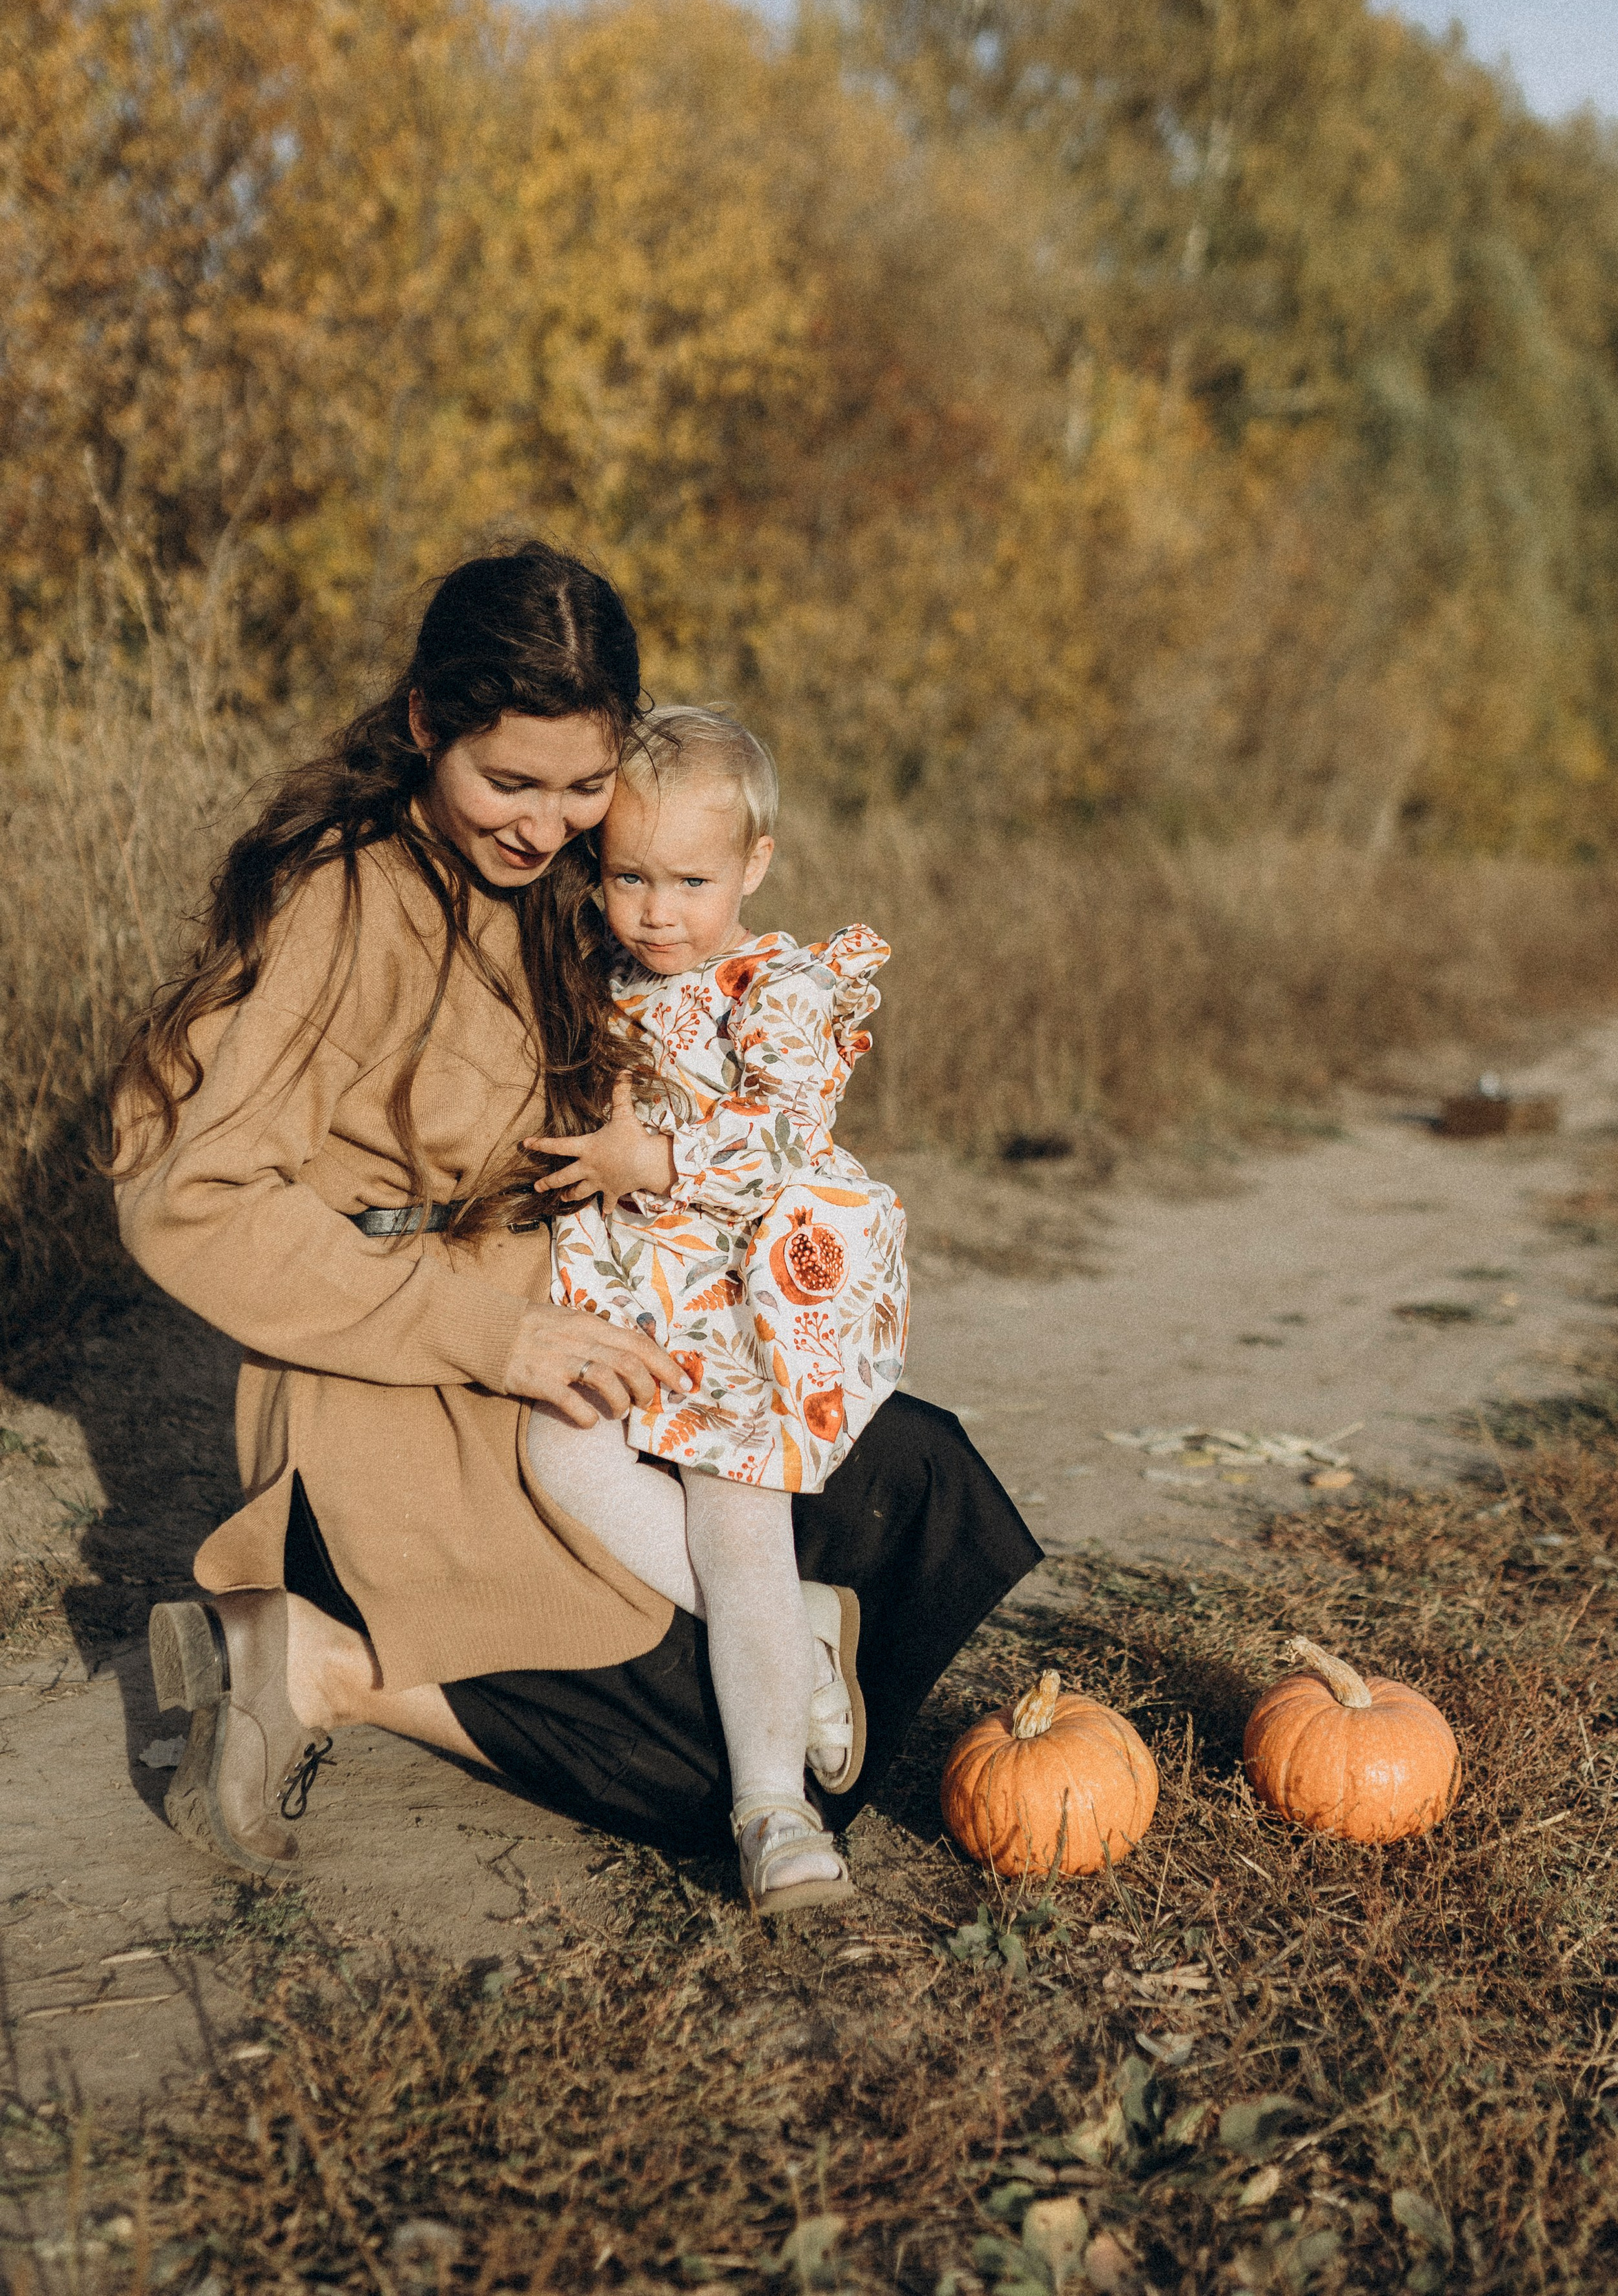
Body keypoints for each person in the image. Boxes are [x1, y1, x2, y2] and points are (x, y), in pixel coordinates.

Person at [110, 544, 1038, 1889]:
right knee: (717, 1755)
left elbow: (697, 947)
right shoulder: (344, 900)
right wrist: (493, 1338)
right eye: (508, 783)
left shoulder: (580, 878)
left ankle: (785, 1617)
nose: (547, 828)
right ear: (427, 725)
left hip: (571, 1311)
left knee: (912, 1476)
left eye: (580, 787)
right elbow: (182, 1196)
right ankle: (318, 1664)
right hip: (390, 1366)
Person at [520, 707, 909, 1914]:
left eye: (692, 879)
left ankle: (773, 1811)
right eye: (629, 875)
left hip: (741, 1305)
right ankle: (798, 1627)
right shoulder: (602, 979)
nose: (658, 909)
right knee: (557, 1451)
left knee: (735, 1527)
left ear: (754, 866)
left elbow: (787, 1133)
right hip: (628, 1298)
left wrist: (656, 1163)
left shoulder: (775, 987)